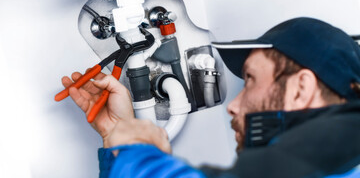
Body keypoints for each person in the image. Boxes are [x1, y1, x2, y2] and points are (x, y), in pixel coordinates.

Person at [61, 17, 360, 178]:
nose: (233, 105)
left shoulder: (340, 151)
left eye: (251, 79)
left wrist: (134, 152)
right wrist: (118, 136)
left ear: (301, 89)